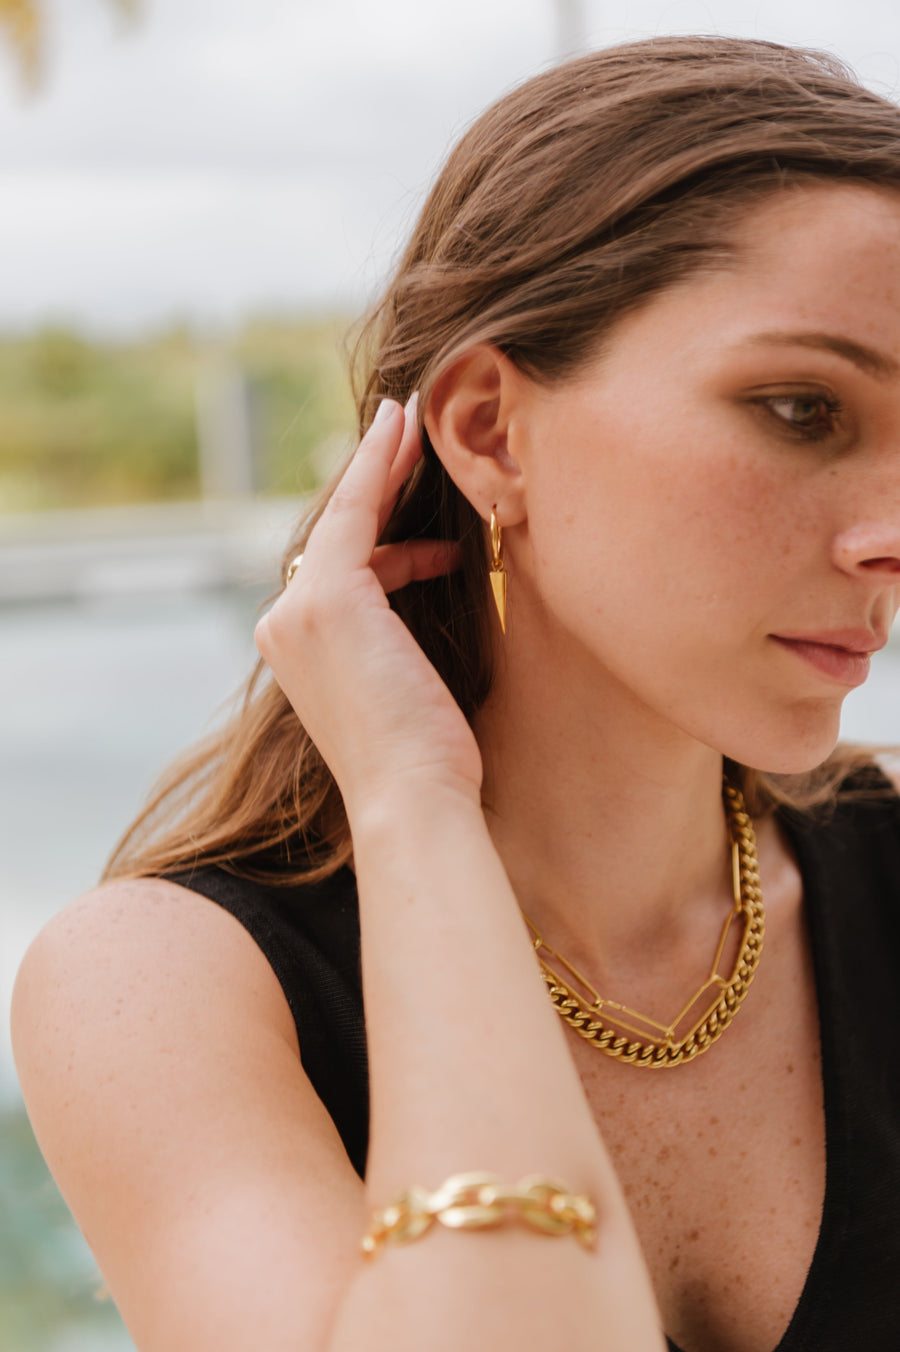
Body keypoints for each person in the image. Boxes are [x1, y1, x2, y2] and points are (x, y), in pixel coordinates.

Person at [10, 32, 900, 1352]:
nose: (890, 529)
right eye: (803, 409)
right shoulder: (164, 992)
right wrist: (414, 803)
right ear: (489, 426)